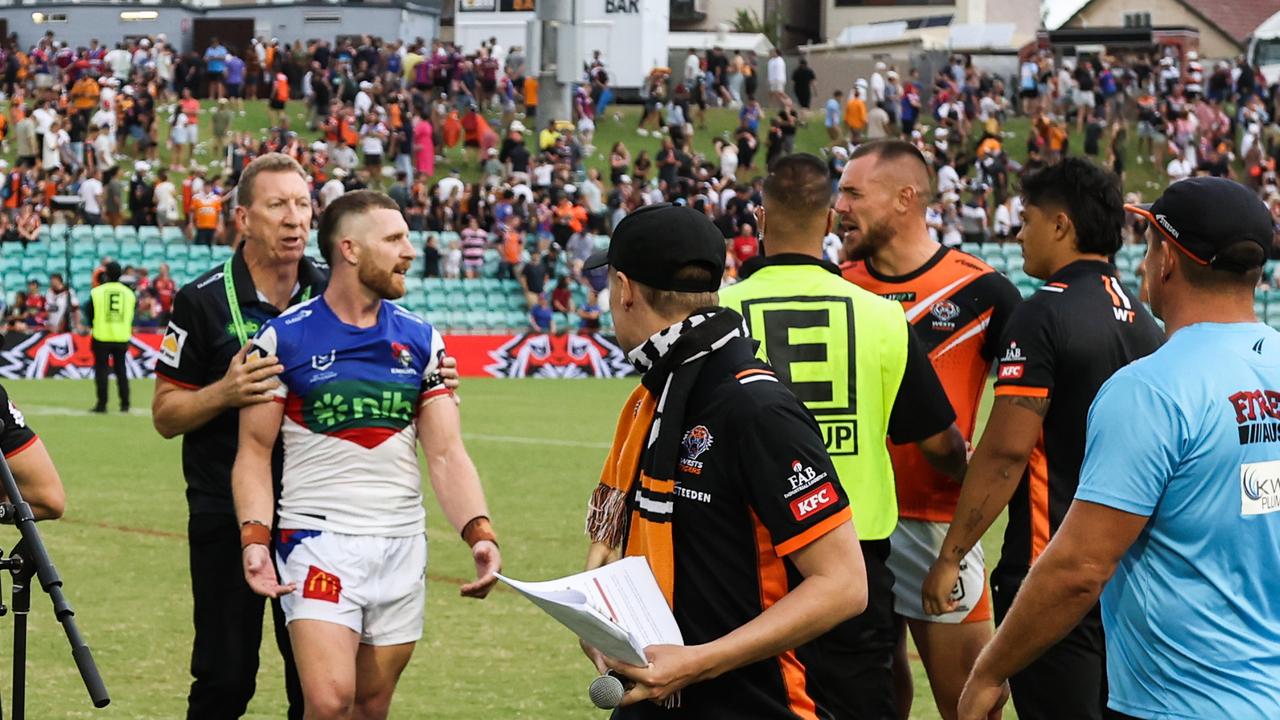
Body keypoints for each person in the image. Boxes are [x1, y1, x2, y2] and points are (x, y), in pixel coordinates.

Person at [959, 178, 1280, 720]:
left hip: (1179, 702)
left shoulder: (1150, 388)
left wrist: (989, 670)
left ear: (1168, 261)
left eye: (1151, 242)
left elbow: (1080, 568)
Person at [580, 203, 867, 716]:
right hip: (654, 694)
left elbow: (843, 585)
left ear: (623, 290)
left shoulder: (754, 406)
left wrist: (697, 662)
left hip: (750, 705)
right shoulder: (662, 390)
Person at [233, 190, 500, 720]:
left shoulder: (423, 340)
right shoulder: (281, 339)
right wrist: (255, 537)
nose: (409, 250)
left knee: (371, 706)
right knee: (331, 701)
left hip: (401, 542)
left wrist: (479, 532)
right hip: (317, 541)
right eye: (395, 239)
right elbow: (254, 453)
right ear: (350, 249)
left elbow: (446, 454)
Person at [719, 153, 967, 720]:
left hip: (749, 559)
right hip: (854, 563)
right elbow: (939, 444)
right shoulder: (882, 318)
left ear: (759, 218)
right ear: (829, 222)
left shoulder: (721, 314)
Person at [923, 158, 1164, 720]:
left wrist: (952, 556)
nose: (1018, 232)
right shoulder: (1145, 322)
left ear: (1060, 225)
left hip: (1048, 568)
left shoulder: (1043, 313)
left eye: (1026, 218)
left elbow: (1007, 452)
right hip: (1127, 571)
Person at [838, 140, 1022, 720]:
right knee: (873, 698)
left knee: (971, 704)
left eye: (852, 192)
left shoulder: (984, 291)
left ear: (904, 199)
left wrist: (978, 479)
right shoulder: (837, 289)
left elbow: (1026, 410)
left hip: (939, 525)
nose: (838, 206)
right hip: (850, 522)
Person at [84, 261, 135, 414]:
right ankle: (125, 404)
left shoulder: (97, 292)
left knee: (101, 371)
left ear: (106, 274)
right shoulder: (129, 293)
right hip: (121, 336)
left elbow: (89, 313)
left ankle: (102, 404)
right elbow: (131, 313)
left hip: (101, 336)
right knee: (121, 371)